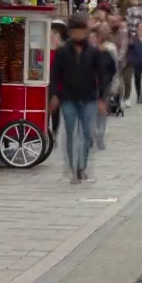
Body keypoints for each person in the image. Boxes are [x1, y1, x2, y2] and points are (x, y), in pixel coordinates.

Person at [50, 16, 109, 184]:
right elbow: (55, 75)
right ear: (70, 33)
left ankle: (81, 165)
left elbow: (101, 75)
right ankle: (73, 167)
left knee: (86, 133)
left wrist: (101, 98)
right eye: (75, 32)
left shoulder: (93, 51)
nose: (78, 35)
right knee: (70, 132)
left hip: (89, 97)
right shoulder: (63, 51)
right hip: (68, 97)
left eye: (81, 32)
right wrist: (54, 95)